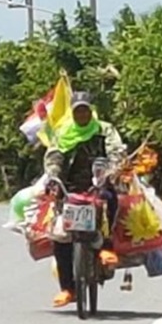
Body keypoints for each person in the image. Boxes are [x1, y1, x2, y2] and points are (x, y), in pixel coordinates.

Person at [43, 91, 126, 307]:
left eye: (85, 110)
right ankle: (67, 288)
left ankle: (107, 247)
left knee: (110, 200)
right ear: (72, 112)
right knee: (60, 236)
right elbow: (54, 156)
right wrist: (53, 175)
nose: (81, 114)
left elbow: (116, 151)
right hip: (69, 187)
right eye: (77, 110)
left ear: (91, 111)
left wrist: (113, 168)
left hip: (98, 184)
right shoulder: (63, 131)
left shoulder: (104, 129)